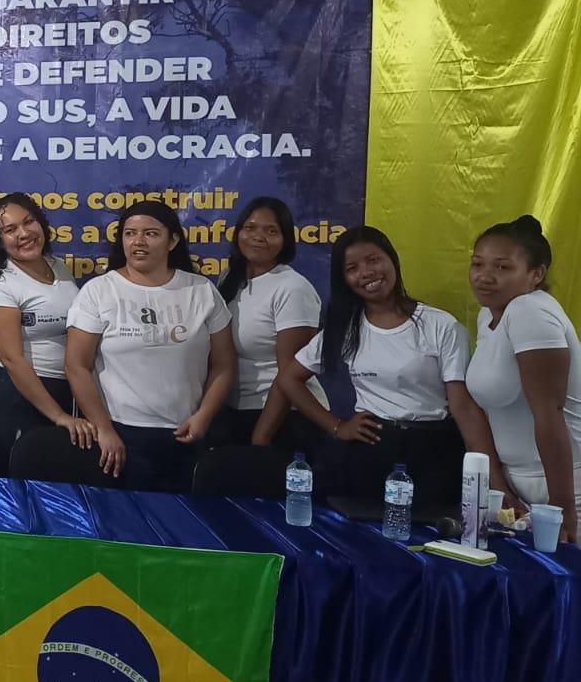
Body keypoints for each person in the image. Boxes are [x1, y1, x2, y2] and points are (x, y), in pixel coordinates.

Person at [276, 226, 497, 508]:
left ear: (392, 260)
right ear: (343, 278)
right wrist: (336, 426)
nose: (366, 273)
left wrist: (494, 482)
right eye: (352, 268)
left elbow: (463, 408)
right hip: (371, 448)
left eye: (373, 260)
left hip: (434, 449)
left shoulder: (440, 324)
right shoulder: (345, 328)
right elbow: (289, 378)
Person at [65, 201, 236, 492]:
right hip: (120, 435)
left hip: (186, 434)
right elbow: (76, 365)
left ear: (173, 240)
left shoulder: (201, 290)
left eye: (151, 234)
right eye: (130, 233)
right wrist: (103, 428)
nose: (138, 242)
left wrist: (204, 416)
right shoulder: (99, 291)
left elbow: (224, 364)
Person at [466, 216, 581, 542]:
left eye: (503, 268)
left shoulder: (530, 312)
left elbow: (550, 413)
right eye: (477, 264)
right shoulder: (488, 314)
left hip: (567, 487)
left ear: (536, 274)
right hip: (520, 486)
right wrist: (501, 487)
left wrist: (563, 511)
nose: (484, 277)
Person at [0, 193, 96, 473]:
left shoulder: (57, 266)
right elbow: (13, 360)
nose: (24, 233)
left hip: (63, 392)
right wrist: (59, 416)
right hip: (18, 399)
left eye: (29, 222)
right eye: (10, 229)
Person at [214, 197, 325, 449]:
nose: (258, 236)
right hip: (236, 413)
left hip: (282, 418)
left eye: (271, 231)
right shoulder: (229, 279)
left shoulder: (292, 288)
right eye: (250, 228)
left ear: (285, 240)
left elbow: (290, 374)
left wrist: (262, 437)